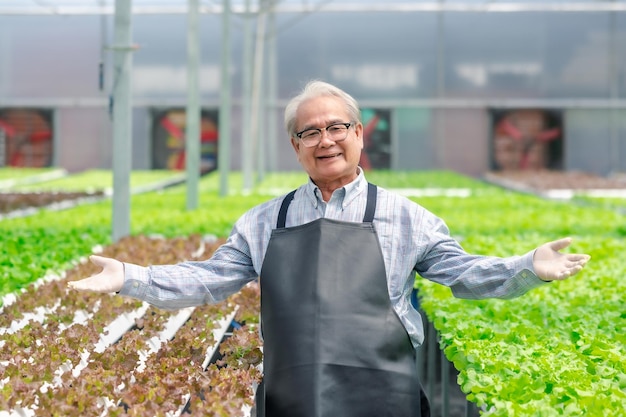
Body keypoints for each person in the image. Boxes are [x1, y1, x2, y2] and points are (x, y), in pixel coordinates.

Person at [69, 80, 591, 417]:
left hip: (385, 396)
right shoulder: (264, 221)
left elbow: (464, 274)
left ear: (359, 134)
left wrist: (529, 269)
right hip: (292, 396)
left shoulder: (406, 217)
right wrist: (130, 276)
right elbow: (209, 279)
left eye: (337, 127)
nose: (326, 140)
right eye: (310, 132)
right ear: (295, 146)